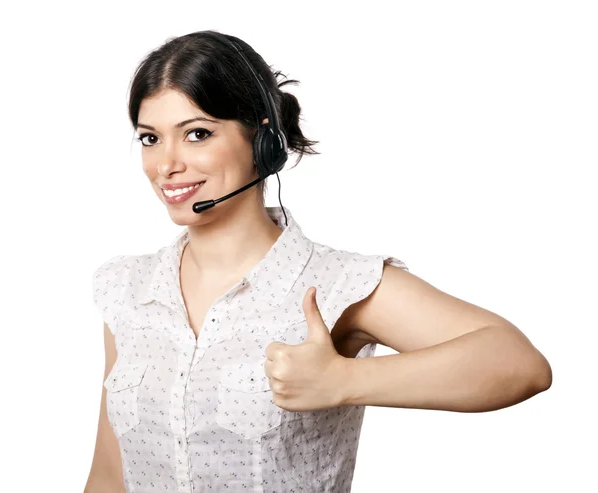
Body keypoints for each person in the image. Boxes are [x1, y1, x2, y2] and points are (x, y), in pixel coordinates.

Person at [84, 30, 552, 493]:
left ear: (263, 141)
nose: (166, 164)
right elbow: (109, 476)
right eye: (150, 138)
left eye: (197, 134)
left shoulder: (335, 284)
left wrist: (345, 379)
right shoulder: (127, 289)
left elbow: (519, 363)